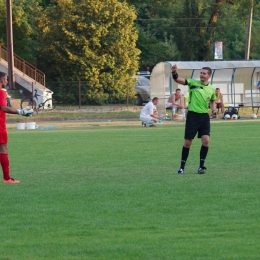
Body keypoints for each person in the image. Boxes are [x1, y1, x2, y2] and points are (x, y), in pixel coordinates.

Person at [171, 64, 216, 174]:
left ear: (209, 76)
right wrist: (174, 72)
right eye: (200, 73)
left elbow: (212, 101)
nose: (201, 75)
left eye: (204, 73)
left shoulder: (212, 89)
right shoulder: (193, 83)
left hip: (204, 117)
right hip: (193, 116)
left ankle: (201, 167)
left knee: (206, 140)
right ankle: (182, 167)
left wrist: (214, 110)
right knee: (187, 142)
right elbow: (178, 79)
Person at [0, 71, 34, 184]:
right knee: (3, 150)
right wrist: (20, 111)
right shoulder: (1, 92)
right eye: (6, 79)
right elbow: (4, 108)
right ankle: (7, 178)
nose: (7, 81)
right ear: (1, 81)